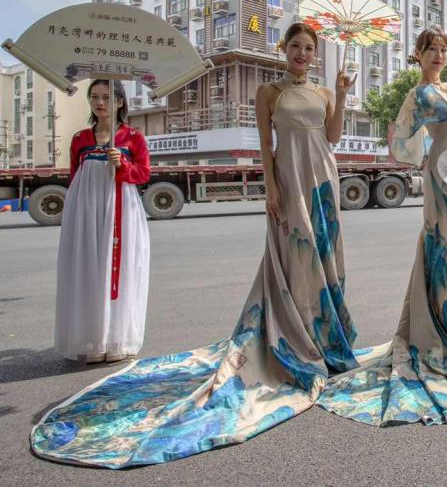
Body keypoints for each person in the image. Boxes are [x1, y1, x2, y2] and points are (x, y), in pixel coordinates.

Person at [32, 23, 363, 468]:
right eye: (296, 47)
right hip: (289, 178)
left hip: (324, 180)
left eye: (309, 48)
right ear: (282, 49)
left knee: (325, 262)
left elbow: (335, 138)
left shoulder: (324, 92)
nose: (302, 54)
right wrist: (271, 188)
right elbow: (267, 144)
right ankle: (293, 340)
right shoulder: (269, 91)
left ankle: (327, 339)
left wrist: (341, 93)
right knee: (293, 261)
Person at [319, 28, 447, 425]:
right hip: (442, 176)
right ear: (418, 54)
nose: (439, 55)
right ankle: (444, 327)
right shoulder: (421, 95)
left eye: (444, 49)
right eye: (432, 49)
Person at [54, 80, 150, 364]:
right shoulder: (79, 139)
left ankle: (118, 337)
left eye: (107, 97)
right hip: (85, 210)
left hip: (121, 206)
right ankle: (92, 338)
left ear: (120, 102)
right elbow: (75, 176)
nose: (99, 103)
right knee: (88, 268)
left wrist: (122, 164)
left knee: (118, 268)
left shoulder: (133, 137)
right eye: (94, 97)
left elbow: (143, 174)